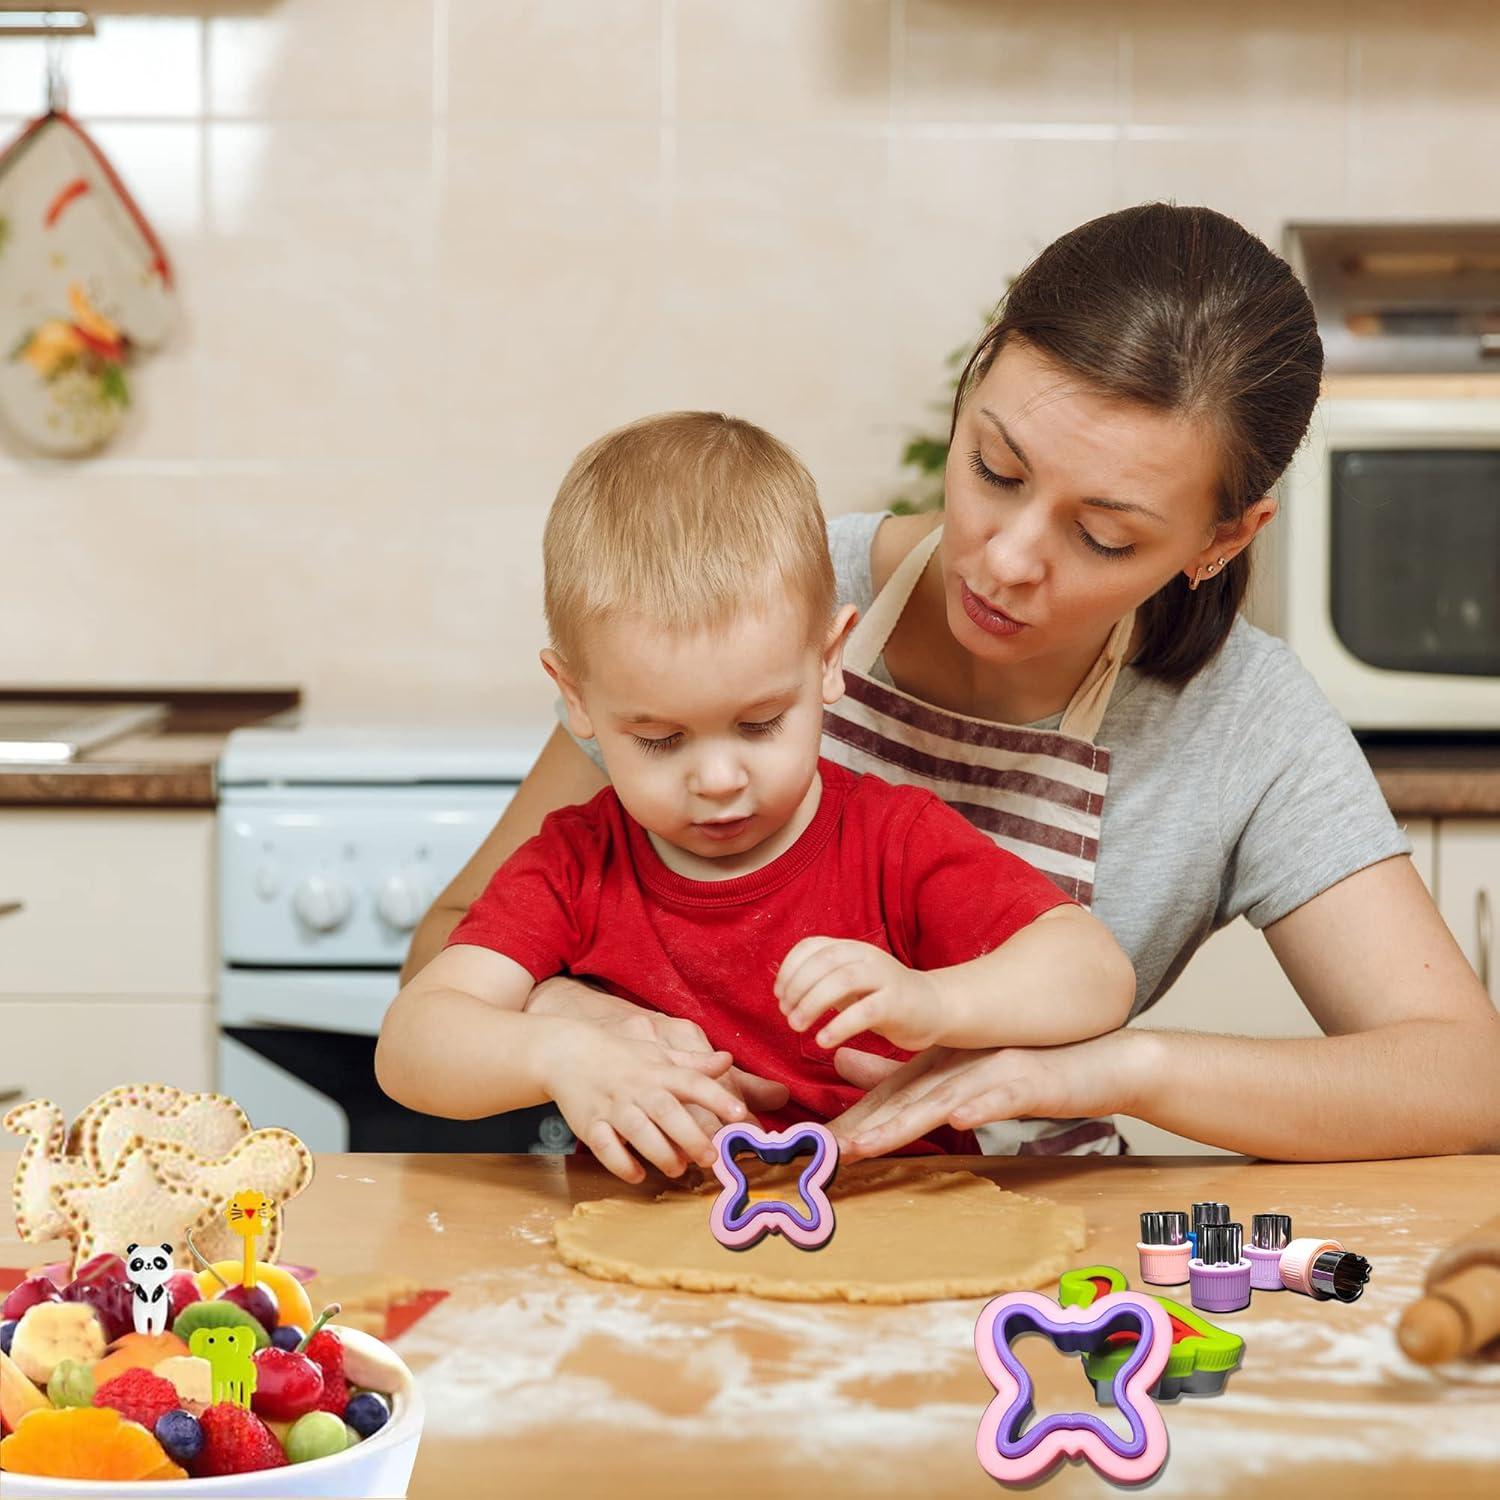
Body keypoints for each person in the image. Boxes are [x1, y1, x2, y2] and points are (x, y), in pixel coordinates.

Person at [402, 203, 1500, 1164]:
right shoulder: (749, 602)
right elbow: (448, 960)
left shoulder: (1245, 722)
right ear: (976, 379)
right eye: (996, 469)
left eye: (1105, 535)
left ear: (1222, 539)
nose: (1009, 558)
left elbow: (1464, 1079)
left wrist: (1120, 1070)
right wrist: (581, 1029)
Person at [377, 412, 1135, 1183]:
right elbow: (411, 1045)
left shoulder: (893, 840)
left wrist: (935, 1001)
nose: (717, 779)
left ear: (829, 660)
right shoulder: (575, 865)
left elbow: (1095, 974)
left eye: (760, 723)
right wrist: (557, 1051)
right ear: (577, 700)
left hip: (904, 1240)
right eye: (660, 739)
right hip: (644, 1265)